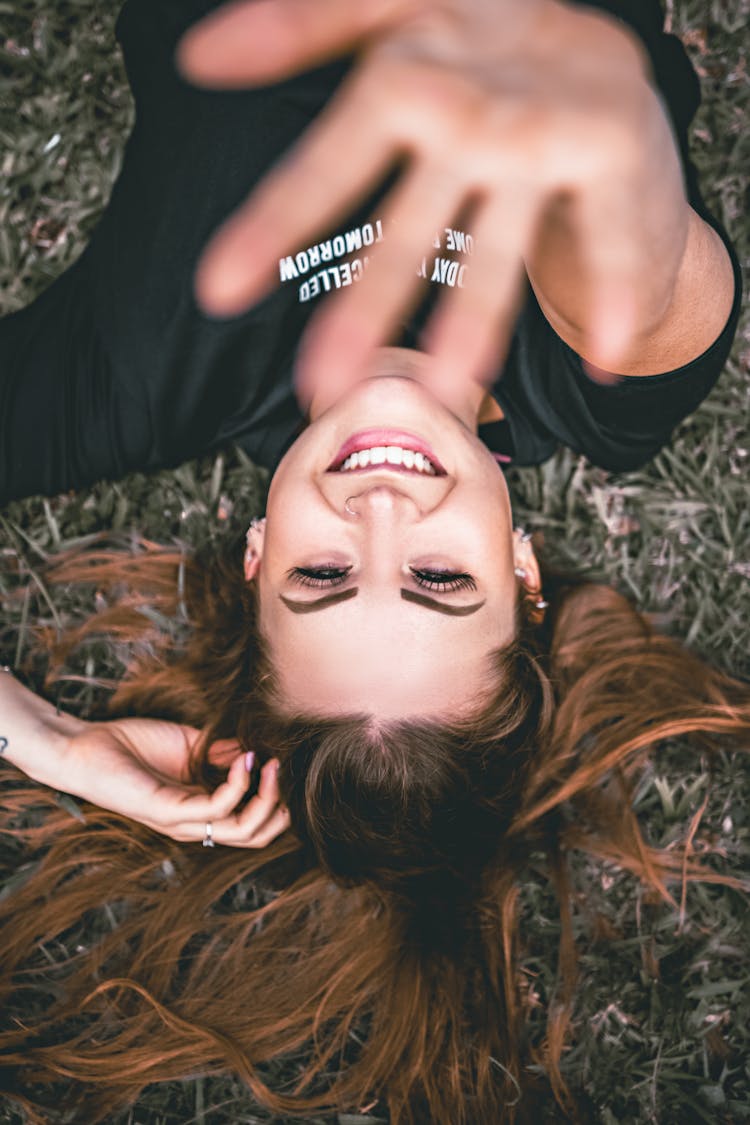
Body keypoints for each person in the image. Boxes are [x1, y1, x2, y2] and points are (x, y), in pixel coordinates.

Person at [0, 0, 747, 1121]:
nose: (385, 510)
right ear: (523, 571)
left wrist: (51, 744)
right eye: (442, 582)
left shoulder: (145, 382)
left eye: (324, 577)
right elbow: (608, 160)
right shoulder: (601, 377)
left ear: (255, 557)